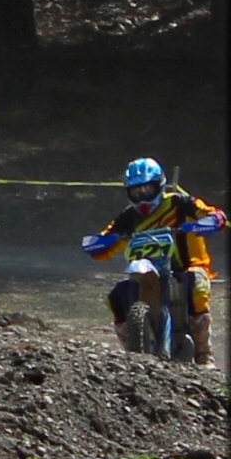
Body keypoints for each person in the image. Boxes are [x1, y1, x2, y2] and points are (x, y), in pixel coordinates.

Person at [89, 157, 226, 368]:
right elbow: (106, 238)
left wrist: (213, 220)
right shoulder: (128, 217)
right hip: (146, 272)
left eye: (147, 190)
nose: (141, 197)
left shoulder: (180, 203)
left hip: (186, 266)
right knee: (117, 296)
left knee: (198, 287)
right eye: (136, 192)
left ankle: (204, 355)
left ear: (159, 185)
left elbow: (209, 213)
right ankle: (134, 355)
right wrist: (99, 243)